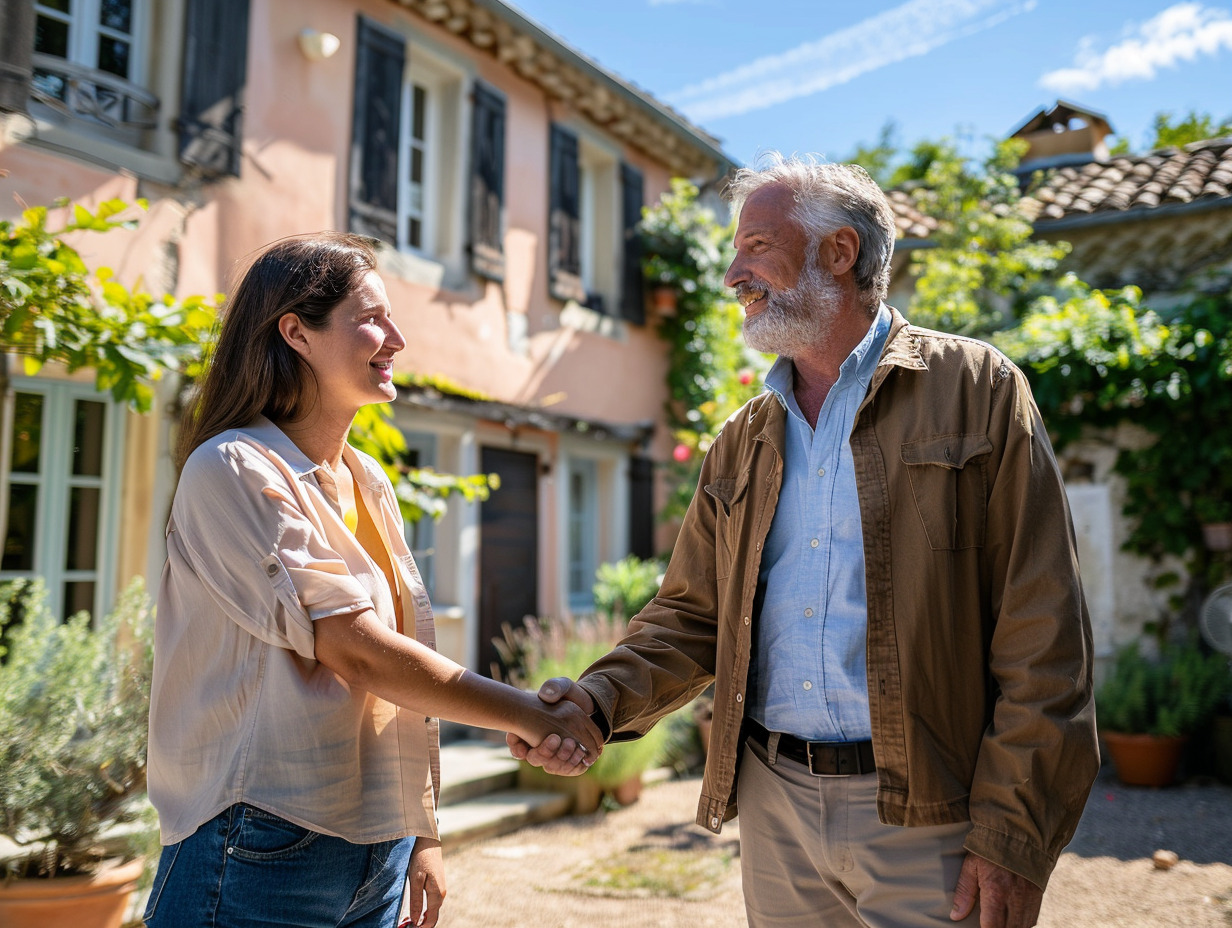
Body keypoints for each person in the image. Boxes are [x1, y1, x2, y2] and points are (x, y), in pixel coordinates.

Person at [512, 155, 1099, 928]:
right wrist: (594, 702)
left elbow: (1043, 630)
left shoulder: (977, 389)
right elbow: (691, 617)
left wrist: (1013, 832)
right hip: (775, 805)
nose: (732, 274)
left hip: (930, 817)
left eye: (754, 245)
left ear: (838, 252)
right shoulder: (744, 438)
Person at [144, 232, 600, 928]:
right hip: (259, 844)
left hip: (374, 851)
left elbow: (390, 688)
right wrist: (530, 715)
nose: (397, 339)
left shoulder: (366, 478)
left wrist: (422, 830)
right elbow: (355, 650)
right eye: (373, 318)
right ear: (295, 332)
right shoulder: (235, 466)